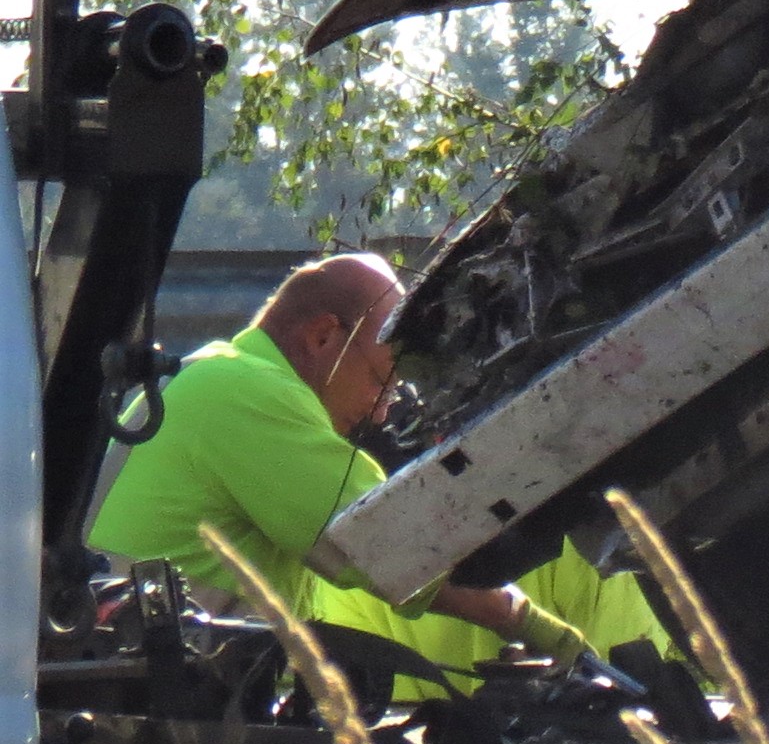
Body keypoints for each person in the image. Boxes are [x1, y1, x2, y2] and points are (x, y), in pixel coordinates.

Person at [87, 250, 661, 686]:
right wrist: (554, 639)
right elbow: (397, 547)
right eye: (381, 379)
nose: (384, 409)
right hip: (162, 686)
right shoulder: (250, 393)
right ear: (321, 337)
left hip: (148, 670)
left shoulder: (211, 374)